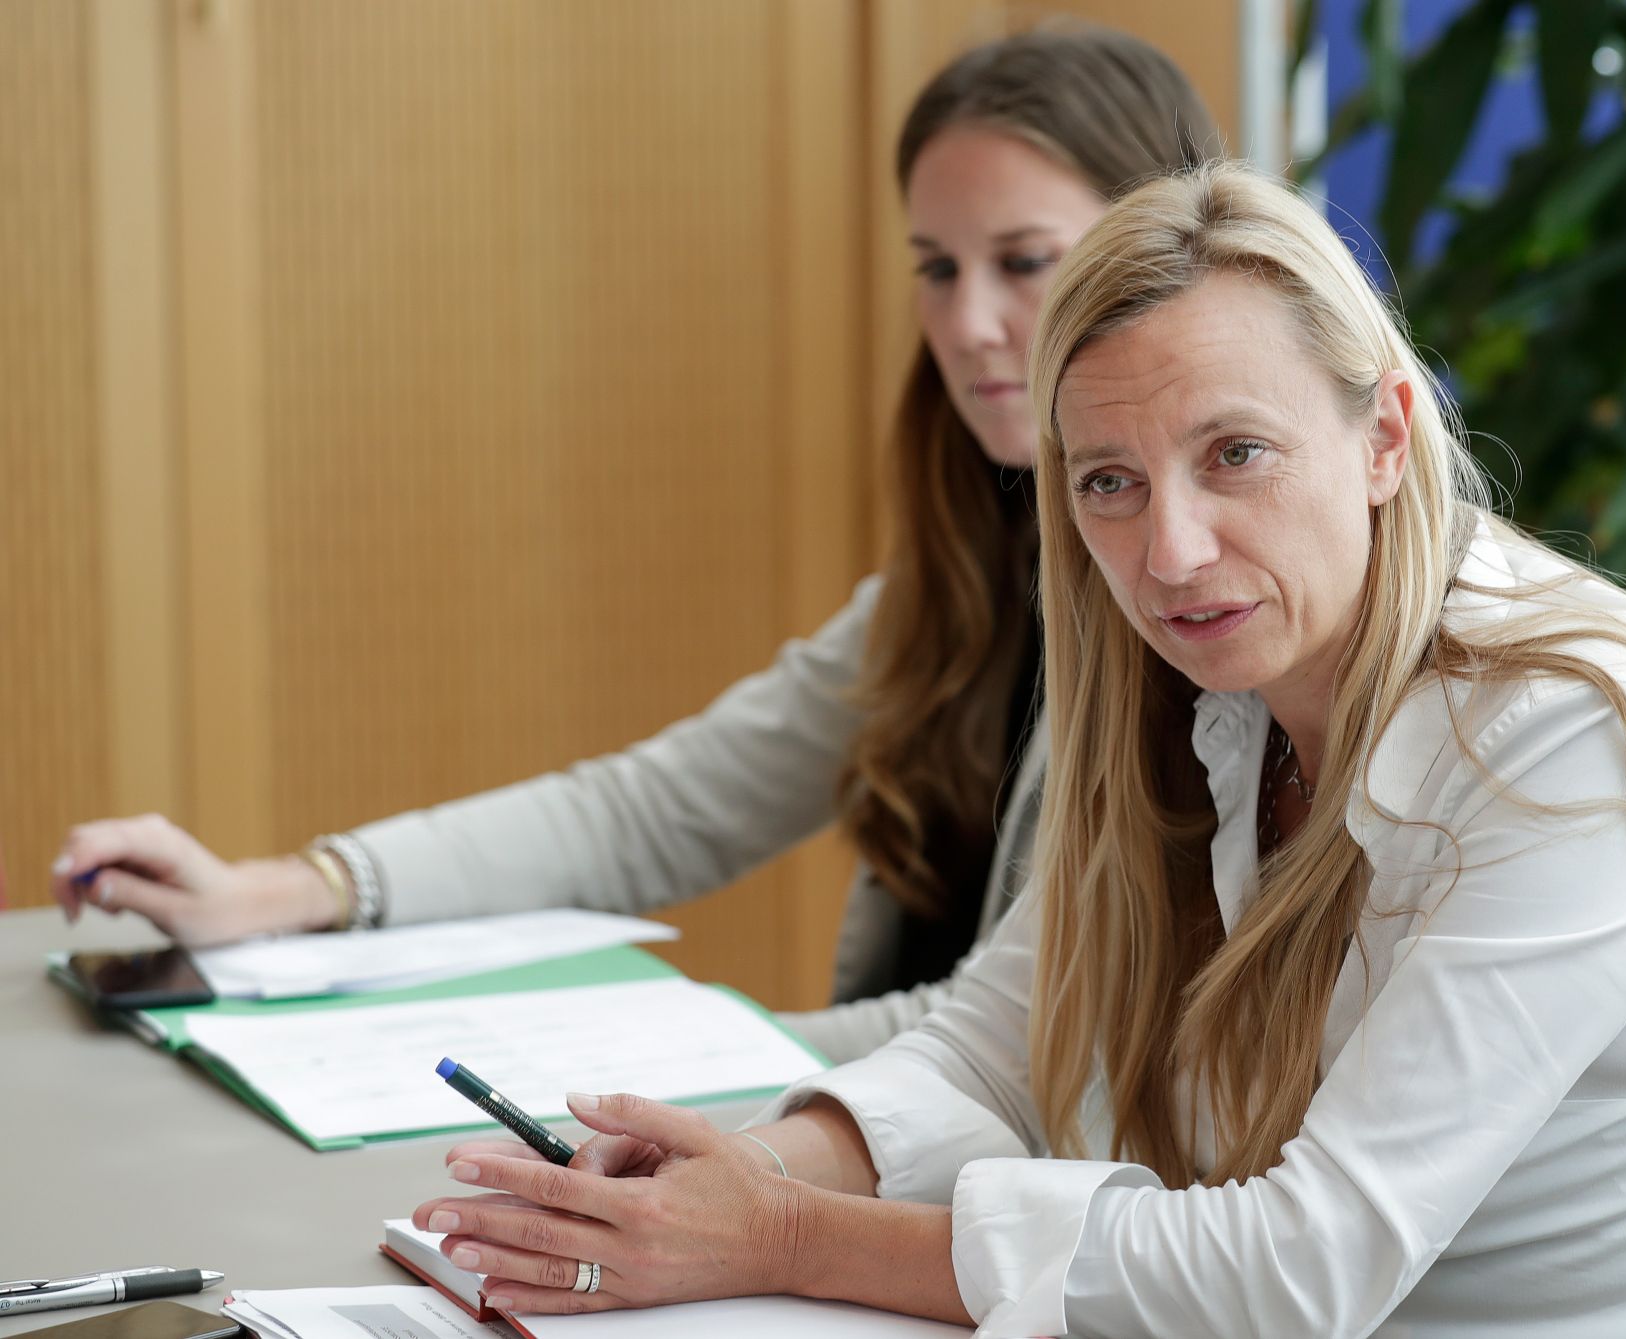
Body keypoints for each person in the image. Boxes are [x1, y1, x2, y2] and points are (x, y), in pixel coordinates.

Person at [407, 162, 1626, 1336]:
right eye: (1108, 479)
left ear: (1385, 438)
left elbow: (1304, 1267)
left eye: (1236, 453)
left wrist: (785, 1233)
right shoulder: (1195, 678)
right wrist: (744, 1175)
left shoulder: (1578, 725)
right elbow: (1002, 1044)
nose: (1169, 552)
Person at [47, 27, 1220, 1065]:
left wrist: (605, 1057)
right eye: (934, 268)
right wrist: (287, 890)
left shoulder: (1201, 605)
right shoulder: (978, 568)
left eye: (1022, 261)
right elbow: (653, 809)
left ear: (1165, 256)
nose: (967, 324)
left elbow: (1016, 1037)